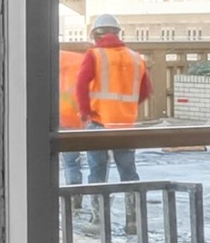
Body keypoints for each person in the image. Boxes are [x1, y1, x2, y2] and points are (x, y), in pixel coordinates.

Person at [73, 15, 150, 231]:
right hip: (125, 125)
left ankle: (99, 220)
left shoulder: (94, 55)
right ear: (118, 33)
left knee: (97, 173)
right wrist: (126, 109)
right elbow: (145, 91)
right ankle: (133, 220)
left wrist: (86, 112)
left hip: (98, 122)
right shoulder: (136, 58)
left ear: (96, 35)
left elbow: (80, 87)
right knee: (128, 173)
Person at [58, 47, 86, 192]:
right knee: (73, 163)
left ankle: (73, 199)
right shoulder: (80, 62)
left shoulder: (50, 63)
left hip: (57, 117)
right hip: (76, 119)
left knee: (69, 162)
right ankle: (75, 195)